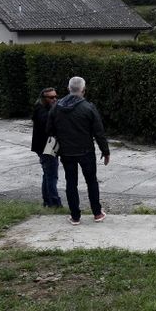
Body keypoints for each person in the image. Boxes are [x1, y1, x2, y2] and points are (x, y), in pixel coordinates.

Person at [47, 76, 110, 225]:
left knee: (71, 183)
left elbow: (49, 130)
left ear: (69, 89)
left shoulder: (56, 107)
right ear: (83, 90)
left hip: (66, 152)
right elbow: (98, 132)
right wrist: (105, 151)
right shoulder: (88, 107)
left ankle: (75, 216)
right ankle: (97, 213)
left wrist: (54, 148)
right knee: (91, 182)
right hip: (86, 151)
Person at [30, 87, 62, 208]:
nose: (55, 99)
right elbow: (46, 122)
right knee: (51, 175)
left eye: (55, 97)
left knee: (48, 174)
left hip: (49, 145)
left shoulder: (46, 108)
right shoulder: (40, 109)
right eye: (51, 97)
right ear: (44, 98)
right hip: (45, 146)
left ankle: (48, 201)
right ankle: (54, 203)